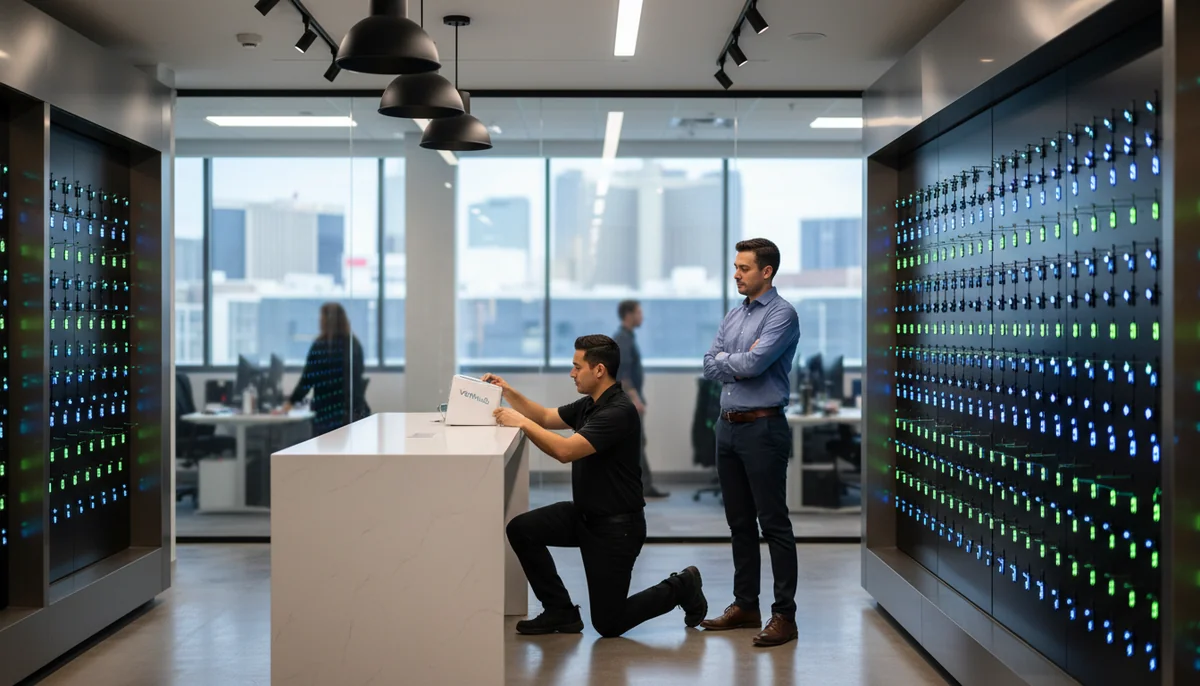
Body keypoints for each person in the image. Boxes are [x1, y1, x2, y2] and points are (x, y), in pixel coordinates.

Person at [485, 334, 707, 637]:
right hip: (585, 516)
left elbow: (565, 451)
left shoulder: (617, 411)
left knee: (608, 623)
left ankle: (682, 585)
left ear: (599, 370)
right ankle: (560, 611)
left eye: (577, 367)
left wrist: (521, 423)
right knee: (522, 529)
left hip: (617, 528)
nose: (572, 373)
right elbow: (547, 417)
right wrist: (508, 392)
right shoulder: (591, 404)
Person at [699, 238, 801, 647]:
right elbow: (710, 364)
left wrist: (733, 363)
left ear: (766, 272)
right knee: (739, 522)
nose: (736, 274)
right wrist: (733, 364)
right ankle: (746, 605)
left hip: (763, 428)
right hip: (727, 428)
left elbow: (755, 363)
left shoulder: (782, 315)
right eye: (736, 267)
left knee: (773, 523)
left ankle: (784, 616)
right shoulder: (734, 314)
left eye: (743, 268)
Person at [284, 302, 369, 436]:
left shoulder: (321, 346)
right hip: (354, 414)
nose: (319, 321)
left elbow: (307, 380)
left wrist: (290, 403)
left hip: (327, 416)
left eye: (321, 318)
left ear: (327, 321)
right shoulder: (354, 344)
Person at [612, 299, 669, 499]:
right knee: (635, 443)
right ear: (629, 315)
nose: (642, 316)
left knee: (636, 443)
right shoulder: (623, 339)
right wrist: (635, 398)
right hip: (628, 400)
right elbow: (623, 373)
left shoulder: (626, 337)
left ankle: (642, 485)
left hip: (628, 398)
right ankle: (641, 486)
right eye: (638, 312)